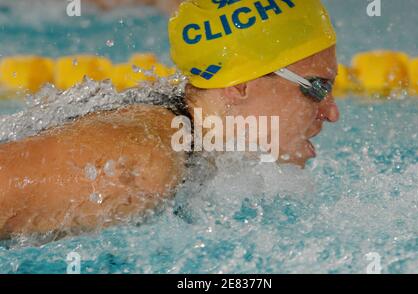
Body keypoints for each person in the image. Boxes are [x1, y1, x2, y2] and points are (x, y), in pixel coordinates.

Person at [0, 0, 339, 239]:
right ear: (239, 85)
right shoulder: (142, 162)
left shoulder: (190, 141)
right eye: (317, 87)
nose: (332, 112)